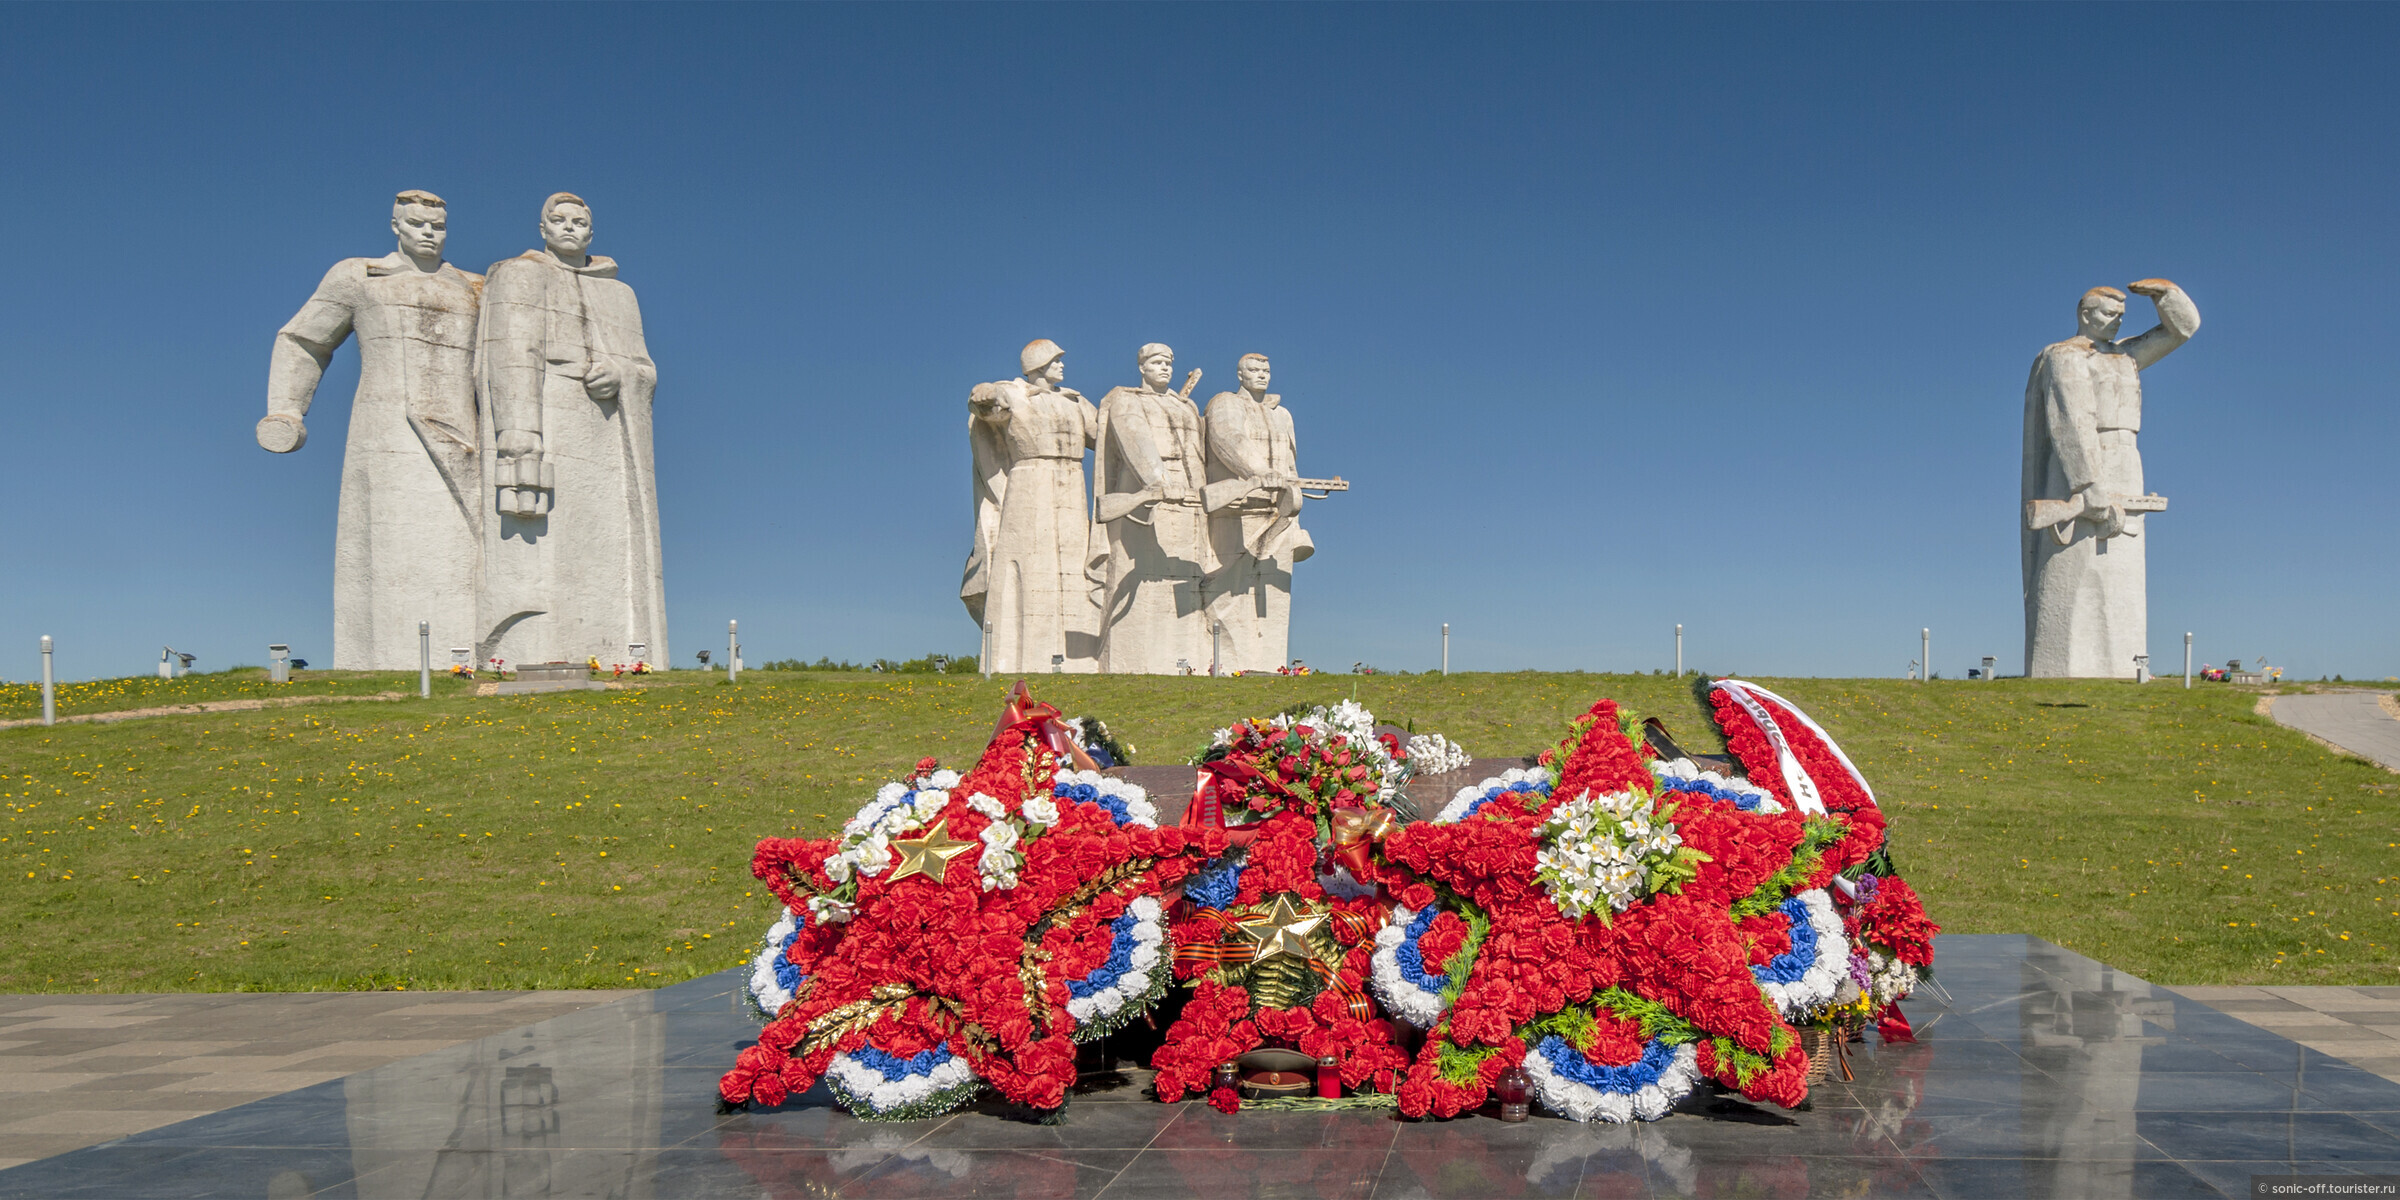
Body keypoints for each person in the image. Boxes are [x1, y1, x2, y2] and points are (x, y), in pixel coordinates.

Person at [260, 189, 483, 669]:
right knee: (388, 547)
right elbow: (304, 340)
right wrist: (286, 410)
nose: (428, 233)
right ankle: (385, 661)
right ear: (396, 226)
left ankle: (468, 657)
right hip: (387, 431)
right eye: (417, 224)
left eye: (438, 226)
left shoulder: (475, 287)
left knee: (462, 548)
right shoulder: (358, 276)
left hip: (468, 437)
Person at [475, 192, 668, 668]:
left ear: (591, 232)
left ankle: (617, 651)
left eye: (578, 222)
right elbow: (507, 355)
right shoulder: (518, 274)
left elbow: (644, 367)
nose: (568, 228)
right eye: (558, 220)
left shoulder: (621, 294)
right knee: (541, 546)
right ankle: (526, 649)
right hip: (549, 417)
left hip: (607, 429)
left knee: (607, 543)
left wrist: (621, 374)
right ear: (542, 229)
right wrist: (519, 433)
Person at [2021, 279, 2199, 677]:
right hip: (2081, 462)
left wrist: (2167, 296)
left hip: (2126, 457)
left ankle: (2126, 664)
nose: (2117, 322)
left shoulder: (2125, 356)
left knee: (2124, 570)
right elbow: (2070, 418)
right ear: (2085, 314)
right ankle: (2066, 666)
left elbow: (2181, 331)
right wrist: (2087, 483)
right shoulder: (2065, 356)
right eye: (2108, 314)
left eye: (2121, 315)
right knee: (2076, 565)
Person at [962, 339, 1103, 673]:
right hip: (1030, 478)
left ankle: (1080, 659)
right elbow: (985, 406)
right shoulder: (1013, 392)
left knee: (1073, 562)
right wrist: (984, 393)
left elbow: (1103, 436)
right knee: (1028, 559)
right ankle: (1017, 657)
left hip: (1071, 480)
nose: (1062, 365)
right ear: (1037, 364)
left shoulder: (1075, 400)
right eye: (1055, 360)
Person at [1093, 344, 1211, 674]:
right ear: (1142, 367)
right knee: (1140, 577)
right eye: (1157, 362)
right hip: (1144, 490)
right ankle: (1129, 664)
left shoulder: (1186, 406)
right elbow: (1136, 440)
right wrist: (1158, 481)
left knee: (1184, 576)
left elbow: (1197, 453)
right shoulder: (1127, 399)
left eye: (1169, 363)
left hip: (1187, 494)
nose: (1165, 368)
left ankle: (1187, 662)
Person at [1202, 353, 1310, 673]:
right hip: (1238, 510)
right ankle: (1224, 664)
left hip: (1279, 511)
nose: (1261, 374)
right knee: (1227, 591)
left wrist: (1294, 512)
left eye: (1266, 370)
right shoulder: (1225, 403)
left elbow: (1290, 464)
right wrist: (1260, 472)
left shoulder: (1283, 415)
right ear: (1240, 374)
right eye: (1253, 369)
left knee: (1273, 596)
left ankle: (1271, 666)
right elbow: (1228, 439)